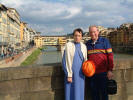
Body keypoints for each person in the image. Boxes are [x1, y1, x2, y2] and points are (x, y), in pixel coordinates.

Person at [86, 25, 114, 100]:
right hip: (92, 74)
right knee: (94, 94)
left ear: (98, 32)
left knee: (104, 94)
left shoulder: (104, 41)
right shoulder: (87, 44)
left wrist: (110, 70)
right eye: (91, 32)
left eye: (94, 32)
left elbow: (110, 56)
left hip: (103, 73)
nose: (93, 34)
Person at [62, 28, 87, 100]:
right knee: (70, 92)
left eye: (79, 35)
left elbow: (85, 60)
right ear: (73, 36)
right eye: (76, 35)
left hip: (81, 75)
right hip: (71, 75)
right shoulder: (68, 45)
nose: (77, 37)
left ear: (81, 37)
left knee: (80, 92)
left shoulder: (84, 46)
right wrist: (68, 75)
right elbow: (64, 61)